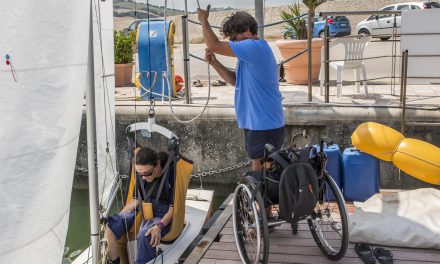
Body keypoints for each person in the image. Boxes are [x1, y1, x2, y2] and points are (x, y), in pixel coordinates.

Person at [197, 5, 285, 172]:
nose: (233, 43)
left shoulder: (254, 47)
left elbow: (213, 45)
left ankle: (264, 199)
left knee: (263, 174)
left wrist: (204, 21)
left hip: (264, 123)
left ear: (247, 31)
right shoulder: (250, 53)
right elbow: (234, 80)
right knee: (263, 173)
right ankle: (263, 197)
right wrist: (215, 63)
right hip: (258, 122)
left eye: (234, 38)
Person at [105, 147, 174, 264]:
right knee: (110, 226)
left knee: (145, 234)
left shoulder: (171, 175)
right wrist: (120, 218)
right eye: (139, 173)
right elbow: (135, 200)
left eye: (147, 173)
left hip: (163, 216)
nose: (143, 178)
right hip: (142, 210)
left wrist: (160, 226)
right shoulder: (141, 175)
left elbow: (173, 209)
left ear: (157, 164)